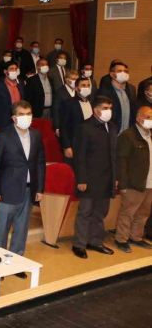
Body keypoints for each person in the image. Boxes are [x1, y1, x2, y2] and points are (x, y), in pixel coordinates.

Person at [0, 101, 46, 267]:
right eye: (22, 114)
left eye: (29, 114)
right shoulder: (3, 136)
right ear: (14, 118)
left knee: (21, 229)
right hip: (7, 190)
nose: (26, 117)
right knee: (2, 229)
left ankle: (16, 262)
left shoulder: (36, 135)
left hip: (28, 190)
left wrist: (40, 188)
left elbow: (40, 163)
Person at [71, 96, 118, 259]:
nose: (108, 111)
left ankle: (95, 241)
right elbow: (79, 156)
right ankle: (79, 244)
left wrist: (115, 177)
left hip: (106, 178)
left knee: (100, 213)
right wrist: (81, 179)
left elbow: (114, 155)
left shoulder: (112, 127)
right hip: (89, 178)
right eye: (105, 108)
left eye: (110, 108)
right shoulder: (85, 127)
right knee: (85, 212)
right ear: (96, 109)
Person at [114, 106, 152, 252]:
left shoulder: (150, 135)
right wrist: (123, 183)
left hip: (150, 182)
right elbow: (121, 161)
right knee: (128, 212)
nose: (150, 120)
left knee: (143, 213)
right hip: (133, 183)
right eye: (147, 117)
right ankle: (121, 239)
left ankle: (136, 237)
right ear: (138, 118)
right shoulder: (128, 136)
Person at [60, 78, 94, 163]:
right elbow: (63, 126)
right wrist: (67, 146)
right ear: (76, 88)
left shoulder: (93, 103)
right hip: (75, 144)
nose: (86, 87)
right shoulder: (69, 103)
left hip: (90, 143)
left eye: (88, 85)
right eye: (83, 85)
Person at [98, 62, 137, 134]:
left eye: (126, 71)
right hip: (111, 133)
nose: (123, 73)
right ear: (112, 74)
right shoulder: (104, 91)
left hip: (128, 134)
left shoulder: (132, 89)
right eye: (120, 71)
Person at [0, 62, 24, 133]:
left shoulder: (20, 84)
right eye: (11, 69)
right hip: (3, 122)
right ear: (5, 71)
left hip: (19, 120)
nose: (14, 71)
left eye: (15, 69)